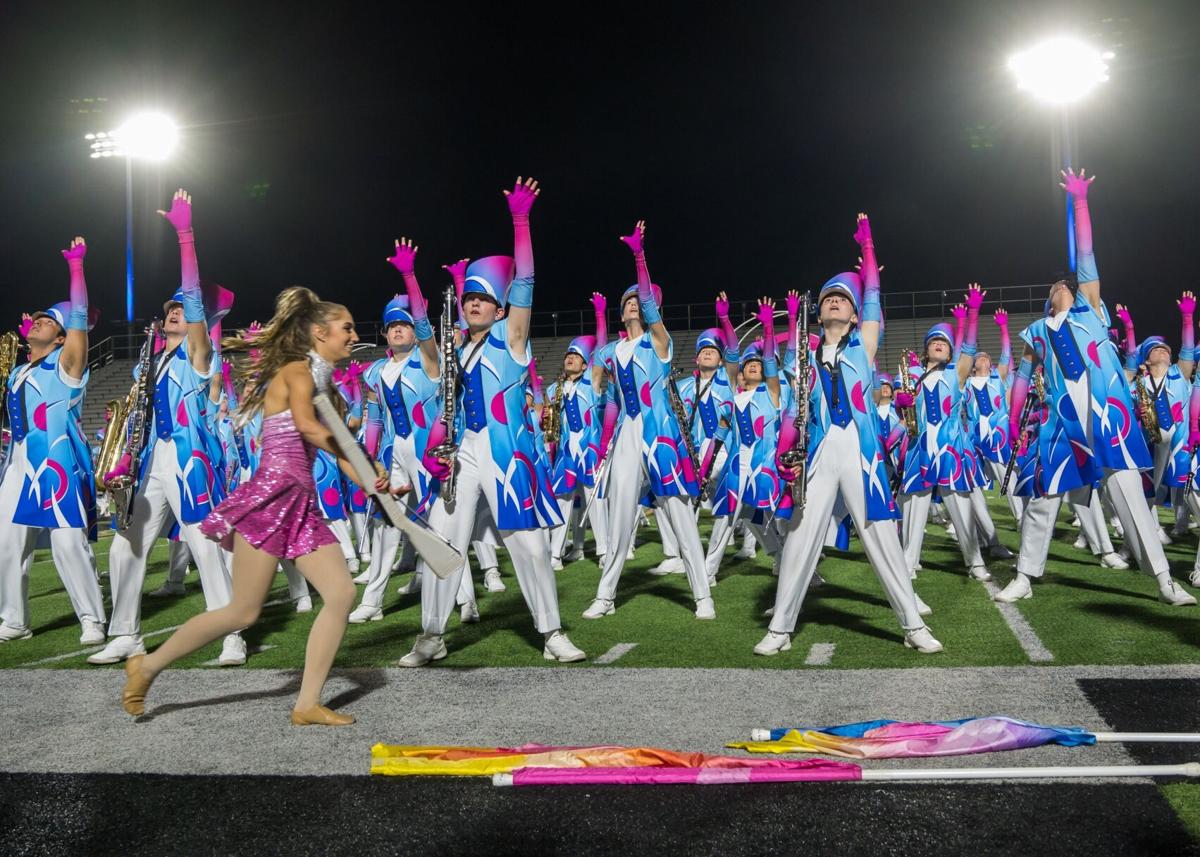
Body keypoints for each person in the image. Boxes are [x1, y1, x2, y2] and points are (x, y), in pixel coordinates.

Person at [121, 286, 374, 724]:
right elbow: (311, 431)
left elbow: (339, 449)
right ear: (319, 332)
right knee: (243, 611)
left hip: (301, 505)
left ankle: (307, 703)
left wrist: (374, 483)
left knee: (342, 593)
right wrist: (365, 467)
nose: (353, 335)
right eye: (346, 327)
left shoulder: (327, 388)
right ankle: (147, 665)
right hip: (269, 501)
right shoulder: (296, 372)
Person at [399, 177, 585, 666]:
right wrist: (411, 280)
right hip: (462, 454)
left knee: (529, 545)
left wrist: (521, 222)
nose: (473, 303)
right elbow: (423, 336)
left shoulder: (512, 338)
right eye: (468, 299)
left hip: (507, 453)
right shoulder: (455, 349)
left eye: (483, 299)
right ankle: (431, 636)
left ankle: (552, 632)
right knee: (442, 543)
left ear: (500, 309)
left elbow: (525, 280)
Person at [995, 169, 1195, 607]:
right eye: (1055, 286)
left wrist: (1079, 202)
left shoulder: (1091, 310)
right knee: (1044, 499)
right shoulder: (1037, 329)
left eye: (1060, 284)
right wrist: (1012, 422)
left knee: (1131, 500)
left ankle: (1164, 580)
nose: (1055, 288)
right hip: (1060, 424)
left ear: (1071, 290)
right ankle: (1025, 576)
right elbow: (1024, 377)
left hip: (1109, 421)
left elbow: (1086, 255)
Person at [757, 213, 941, 656]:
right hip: (820, 452)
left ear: (856, 313)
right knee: (801, 534)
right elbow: (783, 398)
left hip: (861, 452)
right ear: (817, 313)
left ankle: (912, 624)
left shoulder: (865, 344)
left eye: (843, 299)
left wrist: (869, 249)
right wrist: (786, 453)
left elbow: (875, 294)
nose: (835, 303)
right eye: (828, 299)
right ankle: (781, 628)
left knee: (880, 533)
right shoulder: (801, 353)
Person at [89, 190, 244, 666]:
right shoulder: (149, 361)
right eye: (170, 308)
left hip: (190, 459)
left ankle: (231, 634)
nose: (175, 312)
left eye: (183, 309)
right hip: (152, 458)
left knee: (204, 545)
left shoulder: (200, 356)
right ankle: (126, 635)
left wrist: (185, 237)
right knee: (125, 545)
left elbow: (195, 301)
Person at [584, 220, 714, 620]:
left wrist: (639, 258)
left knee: (678, 510)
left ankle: (702, 595)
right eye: (629, 303)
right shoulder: (611, 350)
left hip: (661, 433)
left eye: (638, 301)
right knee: (621, 513)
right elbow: (596, 379)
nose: (634, 306)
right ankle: (606, 595)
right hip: (627, 432)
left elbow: (652, 307)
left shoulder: (659, 343)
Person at [0, 237, 106, 644]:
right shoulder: (19, 372)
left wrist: (76, 268)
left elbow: (77, 318)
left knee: (67, 543)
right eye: (37, 319)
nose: (38, 321)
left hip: (59, 459)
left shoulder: (66, 367)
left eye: (49, 321)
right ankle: (14, 619)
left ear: (64, 338)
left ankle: (92, 619)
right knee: (8, 542)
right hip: (20, 460)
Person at [351, 237, 442, 623]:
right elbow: (373, 419)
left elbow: (423, 324)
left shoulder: (427, 360)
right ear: (385, 334)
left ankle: (462, 594)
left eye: (405, 325)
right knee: (386, 522)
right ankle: (373, 600)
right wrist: (369, 461)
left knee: (438, 522)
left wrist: (409, 277)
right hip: (394, 453)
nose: (400, 330)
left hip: (427, 450)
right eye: (393, 327)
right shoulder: (373, 372)